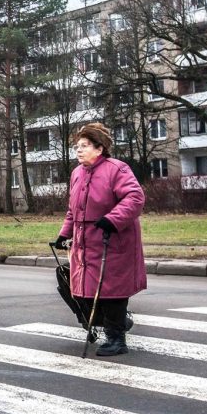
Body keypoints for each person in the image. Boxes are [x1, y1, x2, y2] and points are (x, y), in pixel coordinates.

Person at [54, 122, 146, 356]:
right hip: (85, 243)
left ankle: (117, 340)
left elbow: (135, 198)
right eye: (77, 146)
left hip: (113, 241)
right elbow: (73, 210)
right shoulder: (77, 173)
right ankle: (116, 324)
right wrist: (65, 233)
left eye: (84, 145)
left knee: (111, 290)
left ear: (99, 148)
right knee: (84, 289)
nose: (79, 150)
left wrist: (112, 219)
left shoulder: (117, 169)